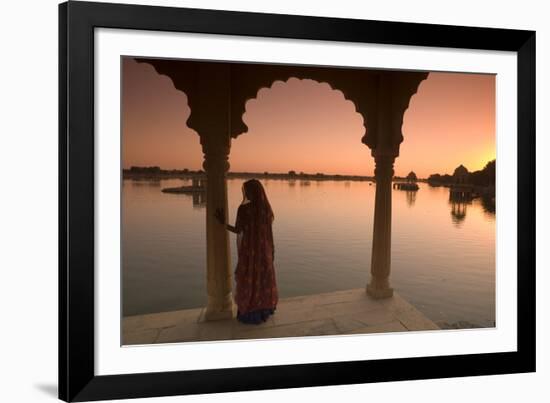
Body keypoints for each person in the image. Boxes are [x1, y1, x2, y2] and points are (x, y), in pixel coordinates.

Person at [215, 179, 278, 324]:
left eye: (247, 190)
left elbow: (238, 230)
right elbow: (269, 233)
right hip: (264, 251)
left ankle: (250, 312)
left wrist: (222, 223)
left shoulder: (244, 209)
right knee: (261, 280)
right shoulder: (265, 209)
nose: (245, 193)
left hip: (250, 253)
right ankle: (263, 310)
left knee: (249, 279)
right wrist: (272, 251)